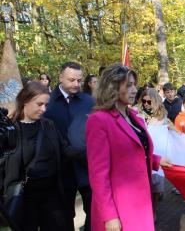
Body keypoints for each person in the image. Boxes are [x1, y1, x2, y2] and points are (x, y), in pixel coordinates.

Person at [86, 64, 172, 231]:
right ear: (113, 87)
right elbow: (98, 175)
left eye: (134, 84)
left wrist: (157, 160)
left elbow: (134, 151)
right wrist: (109, 215)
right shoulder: (99, 120)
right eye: (128, 85)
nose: (135, 90)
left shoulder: (134, 117)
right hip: (119, 205)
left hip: (141, 200)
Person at [1, 82, 82, 230]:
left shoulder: (48, 125)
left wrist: (91, 152)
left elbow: (66, 149)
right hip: (24, 198)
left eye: (46, 104)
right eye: (39, 104)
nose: (43, 109)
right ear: (25, 101)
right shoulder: (11, 130)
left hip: (52, 194)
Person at [44, 61, 94, 230]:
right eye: (72, 80)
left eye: (79, 80)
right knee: (63, 216)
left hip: (87, 166)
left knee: (94, 211)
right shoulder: (47, 103)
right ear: (60, 78)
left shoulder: (89, 102)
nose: (76, 84)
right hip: (60, 170)